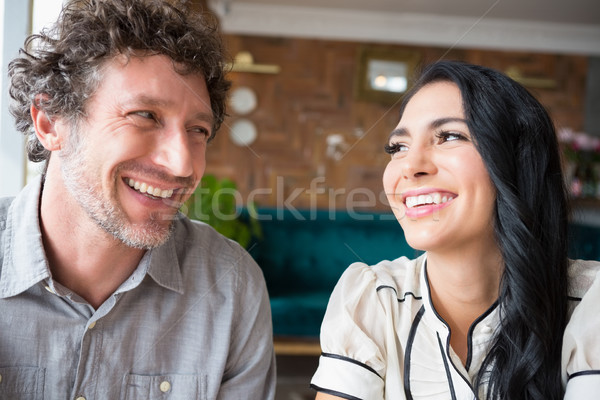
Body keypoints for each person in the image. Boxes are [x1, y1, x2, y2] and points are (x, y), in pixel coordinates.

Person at [0, 0, 275, 399]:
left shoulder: (231, 287)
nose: (183, 164)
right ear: (50, 122)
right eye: (145, 115)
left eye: (198, 129)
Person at [310, 60, 600, 399]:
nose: (410, 166)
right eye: (398, 147)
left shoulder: (590, 303)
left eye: (449, 136)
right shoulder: (372, 299)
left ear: (517, 162)